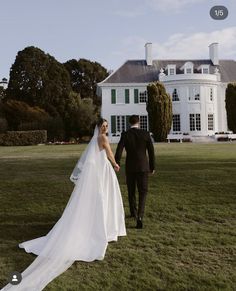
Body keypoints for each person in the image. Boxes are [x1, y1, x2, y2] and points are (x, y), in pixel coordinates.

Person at [1, 118, 126, 291]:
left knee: (100, 199)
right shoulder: (103, 139)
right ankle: (104, 228)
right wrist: (115, 164)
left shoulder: (94, 140)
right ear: (98, 128)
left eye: (106, 126)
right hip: (103, 170)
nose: (105, 128)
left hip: (99, 171)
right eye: (103, 126)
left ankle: (101, 225)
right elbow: (110, 154)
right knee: (104, 199)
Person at [115, 115, 155, 229]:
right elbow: (151, 152)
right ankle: (140, 216)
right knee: (143, 192)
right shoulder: (145, 134)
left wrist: (116, 162)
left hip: (130, 167)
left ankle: (133, 212)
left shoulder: (125, 134)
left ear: (129, 123)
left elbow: (119, 150)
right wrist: (152, 167)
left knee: (131, 190)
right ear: (139, 122)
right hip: (143, 167)